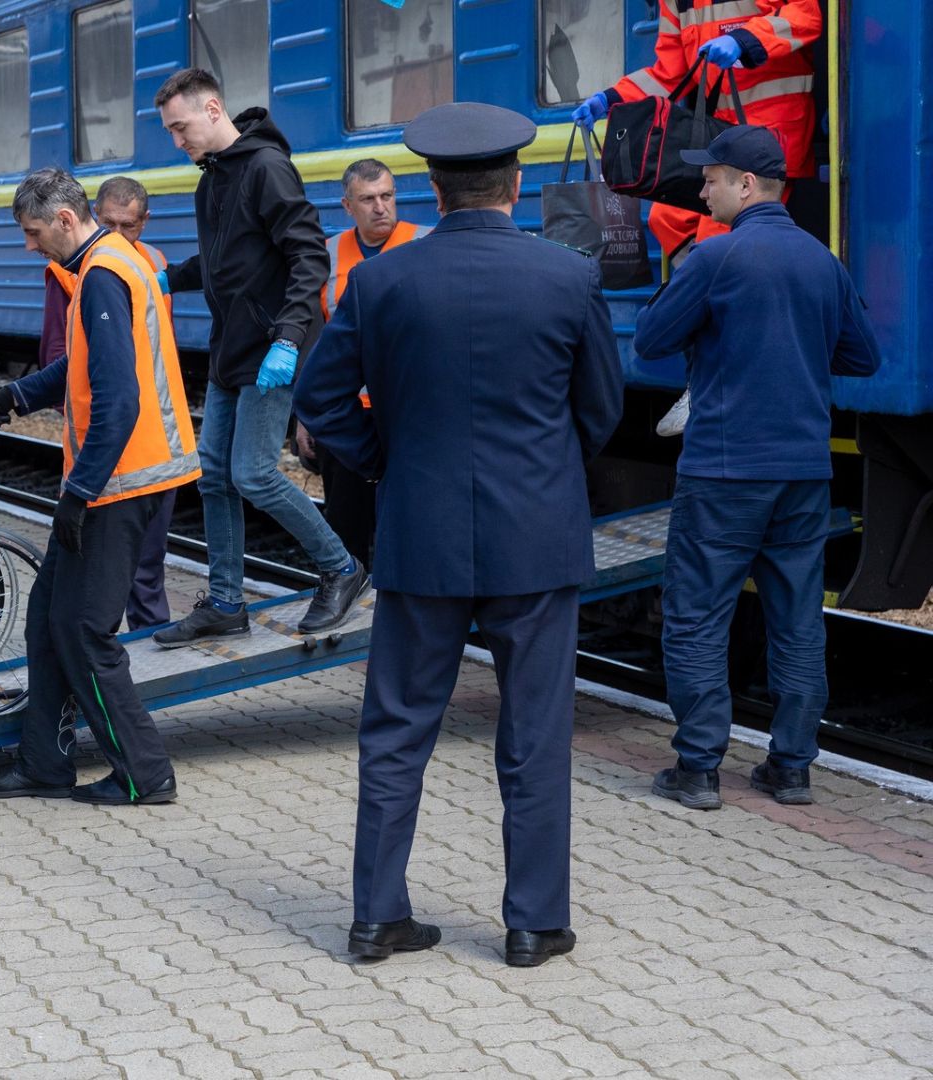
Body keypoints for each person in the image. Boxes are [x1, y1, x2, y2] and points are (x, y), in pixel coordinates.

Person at [295, 103, 624, 968]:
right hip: (538, 540)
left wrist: (387, 464)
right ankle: (532, 925)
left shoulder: (380, 281)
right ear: (514, 186)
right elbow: (599, 411)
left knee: (397, 728)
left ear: (432, 192)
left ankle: (376, 917)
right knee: (534, 733)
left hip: (422, 533)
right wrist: (547, 473)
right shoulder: (568, 277)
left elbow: (321, 402)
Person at [634, 125, 879, 811]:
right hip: (803, 471)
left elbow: (651, 340)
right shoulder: (822, 263)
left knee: (696, 616)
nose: (701, 187)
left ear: (746, 185)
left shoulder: (715, 258)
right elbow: (863, 359)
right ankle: (792, 768)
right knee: (798, 619)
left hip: (723, 471)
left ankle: (699, 769)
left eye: (710, 178)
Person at [0, 168, 199, 807]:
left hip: (120, 482)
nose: (30, 246)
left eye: (34, 233)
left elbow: (118, 400)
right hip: (112, 480)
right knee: (47, 618)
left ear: (65, 220)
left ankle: (143, 773)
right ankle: (44, 763)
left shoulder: (100, 276)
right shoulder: (113, 261)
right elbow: (82, 365)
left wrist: (79, 492)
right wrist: (14, 396)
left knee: (87, 631)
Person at [149, 68, 366, 646]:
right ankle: (224, 602)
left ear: (213, 109)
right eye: (170, 131)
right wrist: (167, 278)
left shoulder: (266, 168)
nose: (178, 141)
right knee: (214, 476)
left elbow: (307, 257)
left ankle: (342, 569)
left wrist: (290, 338)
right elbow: (226, 261)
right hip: (232, 351)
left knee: (253, 473)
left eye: (181, 127)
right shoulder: (211, 180)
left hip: (273, 347)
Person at [572, 1, 821, 260]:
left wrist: (744, 40)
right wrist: (611, 99)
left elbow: (805, 14)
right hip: (722, 136)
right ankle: (712, 285)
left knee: (718, 234)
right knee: (668, 218)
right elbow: (669, 72)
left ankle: (717, 288)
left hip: (772, 134)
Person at [303, 158, 432, 568]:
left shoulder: (425, 243)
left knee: (411, 526)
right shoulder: (327, 255)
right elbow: (316, 340)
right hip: (347, 420)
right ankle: (349, 609)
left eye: (387, 196)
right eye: (368, 199)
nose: (380, 207)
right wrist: (304, 419)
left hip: (408, 415)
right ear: (347, 205)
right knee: (347, 529)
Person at [91, 176, 178, 631]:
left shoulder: (155, 263)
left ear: (145, 222)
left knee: (148, 565)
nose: (119, 236)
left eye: (130, 226)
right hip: (108, 437)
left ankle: (149, 663)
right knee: (108, 571)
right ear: (93, 215)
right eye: (109, 224)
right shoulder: (75, 267)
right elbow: (57, 354)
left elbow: (163, 348)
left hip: (153, 437)